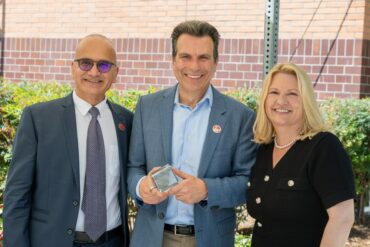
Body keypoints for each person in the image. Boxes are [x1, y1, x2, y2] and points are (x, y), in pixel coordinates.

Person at [127, 20, 257, 247]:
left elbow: (247, 182)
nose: (194, 66)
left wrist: (206, 190)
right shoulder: (147, 106)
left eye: (203, 57)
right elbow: (133, 167)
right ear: (173, 60)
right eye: (185, 56)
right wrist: (141, 187)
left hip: (209, 239)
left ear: (215, 62)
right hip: (152, 238)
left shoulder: (240, 117)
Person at [3, 34, 133, 247]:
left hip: (113, 241)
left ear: (116, 72)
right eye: (85, 63)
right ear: (73, 67)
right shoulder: (38, 119)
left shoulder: (127, 121)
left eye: (103, 65)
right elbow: (17, 196)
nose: (93, 72)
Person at [247, 62, 355, 247]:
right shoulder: (263, 150)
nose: (281, 101)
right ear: (264, 99)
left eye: (292, 94)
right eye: (274, 92)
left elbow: (343, 217)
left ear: (306, 101)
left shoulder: (323, 147)